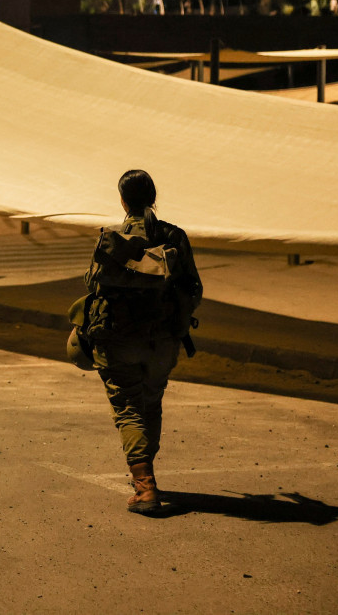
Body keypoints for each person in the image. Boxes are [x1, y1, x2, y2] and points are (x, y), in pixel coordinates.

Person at [83, 169, 202, 514]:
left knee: (128, 408)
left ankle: (145, 486)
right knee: (151, 403)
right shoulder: (173, 236)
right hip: (163, 339)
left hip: (117, 338)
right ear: (153, 197)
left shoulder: (113, 237)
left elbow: (93, 282)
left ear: (123, 200)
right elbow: (193, 288)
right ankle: (145, 471)